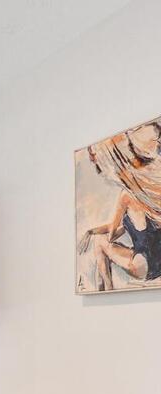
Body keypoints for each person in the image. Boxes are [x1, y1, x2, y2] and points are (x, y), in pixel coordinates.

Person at [79, 122, 161, 290]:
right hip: (158, 263)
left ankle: (106, 288)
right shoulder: (146, 196)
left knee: (100, 242)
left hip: (143, 265)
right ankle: (102, 287)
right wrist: (91, 230)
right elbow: (123, 228)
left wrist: (98, 235)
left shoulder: (126, 196)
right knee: (98, 237)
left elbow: (110, 235)